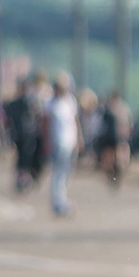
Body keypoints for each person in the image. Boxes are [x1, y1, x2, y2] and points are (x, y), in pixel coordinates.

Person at [45, 72, 83, 217]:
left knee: (68, 172)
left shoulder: (70, 101)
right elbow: (46, 124)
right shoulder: (51, 103)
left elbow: (75, 121)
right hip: (57, 142)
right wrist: (47, 141)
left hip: (70, 142)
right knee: (58, 172)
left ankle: (62, 198)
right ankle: (58, 202)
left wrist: (79, 138)